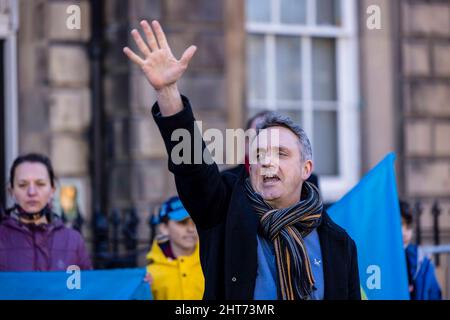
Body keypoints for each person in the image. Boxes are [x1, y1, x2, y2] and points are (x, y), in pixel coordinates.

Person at [124, 20, 360, 300]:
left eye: (281, 154)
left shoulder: (338, 243)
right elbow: (192, 166)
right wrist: (167, 92)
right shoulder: (223, 209)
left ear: (306, 168)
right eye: (260, 155)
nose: (268, 163)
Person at [0, 153, 92, 271]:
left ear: (52, 190)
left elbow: (84, 287)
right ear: (11, 191)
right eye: (22, 185)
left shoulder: (73, 241)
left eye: (40, 184)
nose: (32, 192)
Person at [224, 110, 320, 190]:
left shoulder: (309, 182)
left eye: (279, 153)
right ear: (245, 143)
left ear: (306, 169)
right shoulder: (226, 182)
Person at [146, 196, 204, 300]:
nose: (191, 229)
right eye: (182, 222)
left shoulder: (211, 264)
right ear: (164, 228)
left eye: (195, 222)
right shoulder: (150, 274)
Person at [400, 201, 442, 300]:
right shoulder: (382, 259)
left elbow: (434, 294)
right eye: (400, 225)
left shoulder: (422, 261)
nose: (404, 233)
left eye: (408, 227)